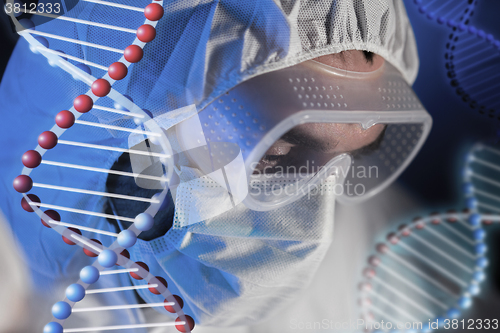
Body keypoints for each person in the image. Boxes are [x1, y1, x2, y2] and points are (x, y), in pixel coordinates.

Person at [0, 0, 429, 331]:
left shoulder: (387, 269)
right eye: (276, 154)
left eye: (341, 165)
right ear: (119, 115)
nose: (312, 232)